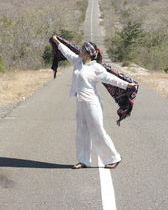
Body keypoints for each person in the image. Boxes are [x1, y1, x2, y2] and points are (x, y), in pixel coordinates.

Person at [52, 35, 137, 169]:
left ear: (87, 53)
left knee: (97, 131)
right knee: (81, 132)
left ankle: (114, 158)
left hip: (92, 103)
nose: (79, 50)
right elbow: (67, 52)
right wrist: (57, 42)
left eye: (82, 49)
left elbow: (111, 79)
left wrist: (127, 85)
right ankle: (83, 160)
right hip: (80, 102)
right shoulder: (77, 62)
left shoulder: (97, 68)